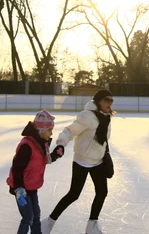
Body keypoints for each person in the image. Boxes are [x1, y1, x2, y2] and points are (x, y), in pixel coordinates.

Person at [41, 90, 115, 234]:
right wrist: (61, 144)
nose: (109, 103)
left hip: (98, 160)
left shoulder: (107, 117)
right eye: (106, 100)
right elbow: (69, 131)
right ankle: (48, 222)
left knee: (102, 192)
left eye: (111, 101)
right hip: (82, 160)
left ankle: (92, 225)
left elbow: (104, 139)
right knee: (74, 194)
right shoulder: (87, 116)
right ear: (98, 100)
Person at [7, 110, 64, 234]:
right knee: (28, 217)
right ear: (41, 130)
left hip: (32, 187)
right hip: (21, 188)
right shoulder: (27, 146)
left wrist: (56, 154)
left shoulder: (41, 143)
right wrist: (19, 189)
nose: (51, 133)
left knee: (36, 216)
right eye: (49, 130)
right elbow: (17, 168)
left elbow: (45, 159)